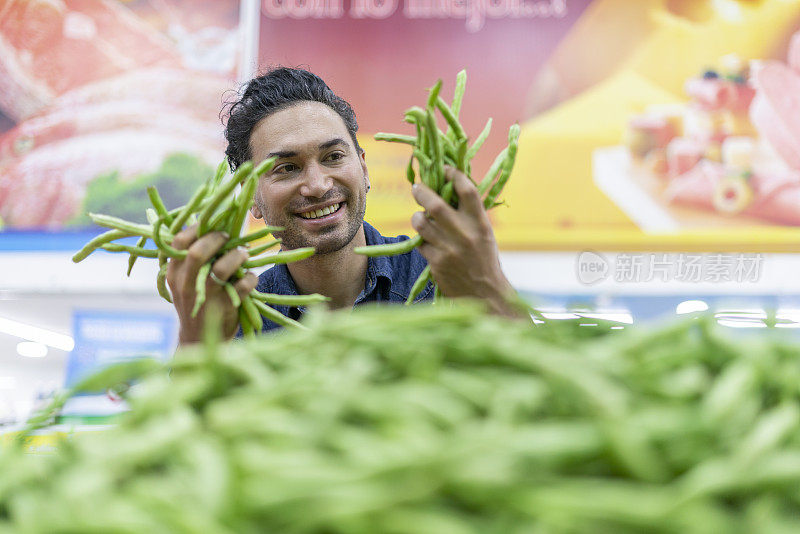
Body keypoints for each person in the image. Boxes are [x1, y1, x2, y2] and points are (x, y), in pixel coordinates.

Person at [167, 67, 522, 345]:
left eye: (334, 156)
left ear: (363, 167)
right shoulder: (236, 317)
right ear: (250, 197)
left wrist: (489, 287)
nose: (318, 185)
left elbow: (551, 405)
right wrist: (197, 343)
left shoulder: (441, 279)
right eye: (286, 168)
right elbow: (180, 433)